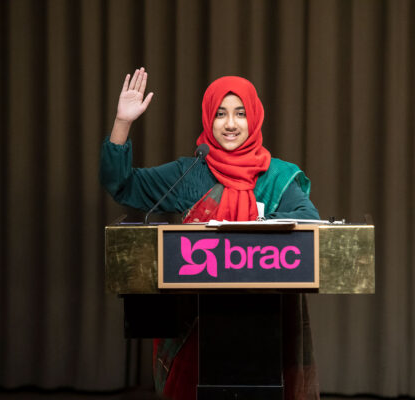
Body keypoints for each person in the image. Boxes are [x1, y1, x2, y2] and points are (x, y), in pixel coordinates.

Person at [100, 67, 320, 399]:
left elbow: (307, 219)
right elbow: (121, 184)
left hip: (265, 324)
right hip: (197, 323)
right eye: (220, 114)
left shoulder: (277, 175)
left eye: (240, 114)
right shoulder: (191, 173)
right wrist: (122, 122)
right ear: (208, 119)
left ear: (255, 118)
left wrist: (251, 220)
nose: (230, 124)